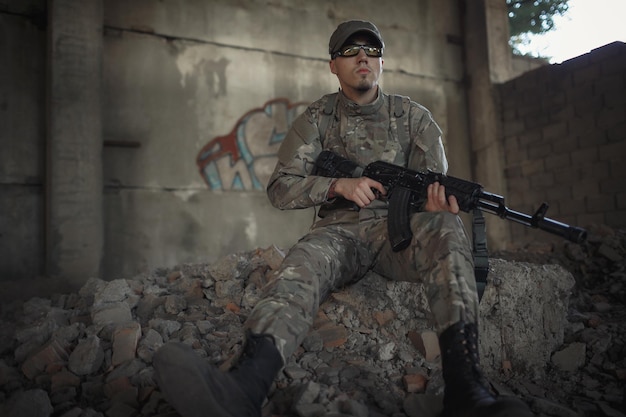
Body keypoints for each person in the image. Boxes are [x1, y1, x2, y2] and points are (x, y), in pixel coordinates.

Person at [153, 20, 533, 417]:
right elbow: (280, 188)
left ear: (381, 62)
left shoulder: (414, 119)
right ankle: (243, 386)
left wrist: (434, 209)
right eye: (350, 51)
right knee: (303, 264)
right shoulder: (318, 118)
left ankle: (468, 391)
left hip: (398, 240)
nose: (363, 57)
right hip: (338, 234)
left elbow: (432, 186)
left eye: (371, 50)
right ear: (333, 65)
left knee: (446, 225)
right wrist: (337, 186)